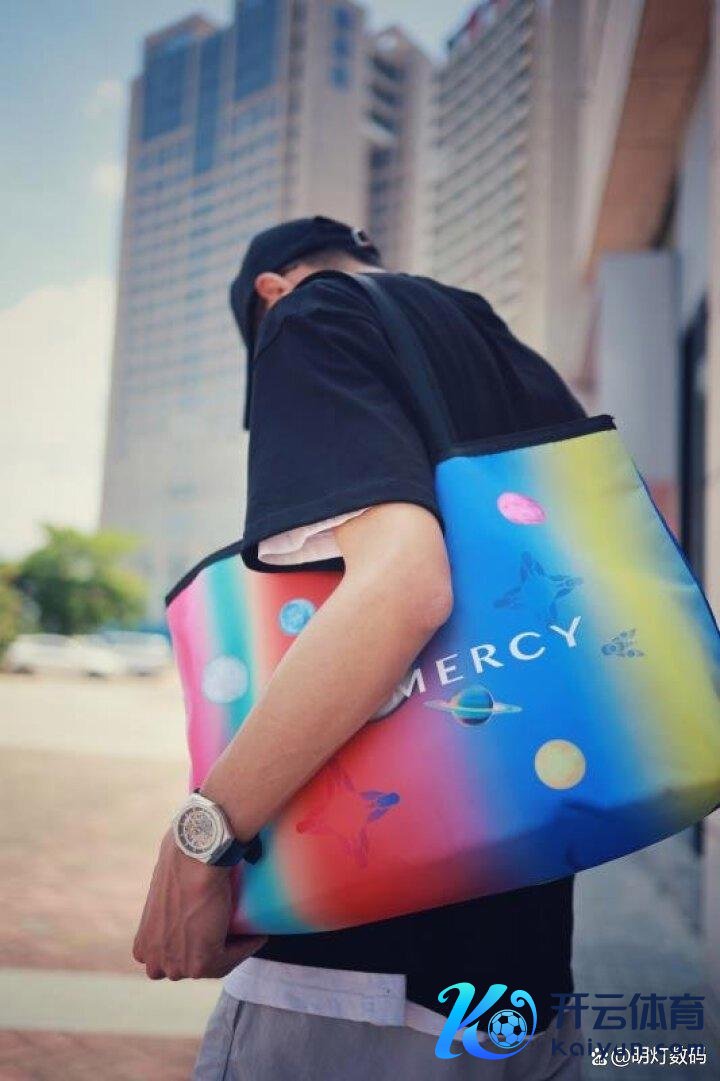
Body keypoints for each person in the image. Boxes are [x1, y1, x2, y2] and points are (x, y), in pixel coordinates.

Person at [134, 216, 585, 1079]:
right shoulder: (501, 347)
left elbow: (403, 588)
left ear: (270, 290)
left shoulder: (308, 317)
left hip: (352, 979)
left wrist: (202, 838)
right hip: (528, 975)